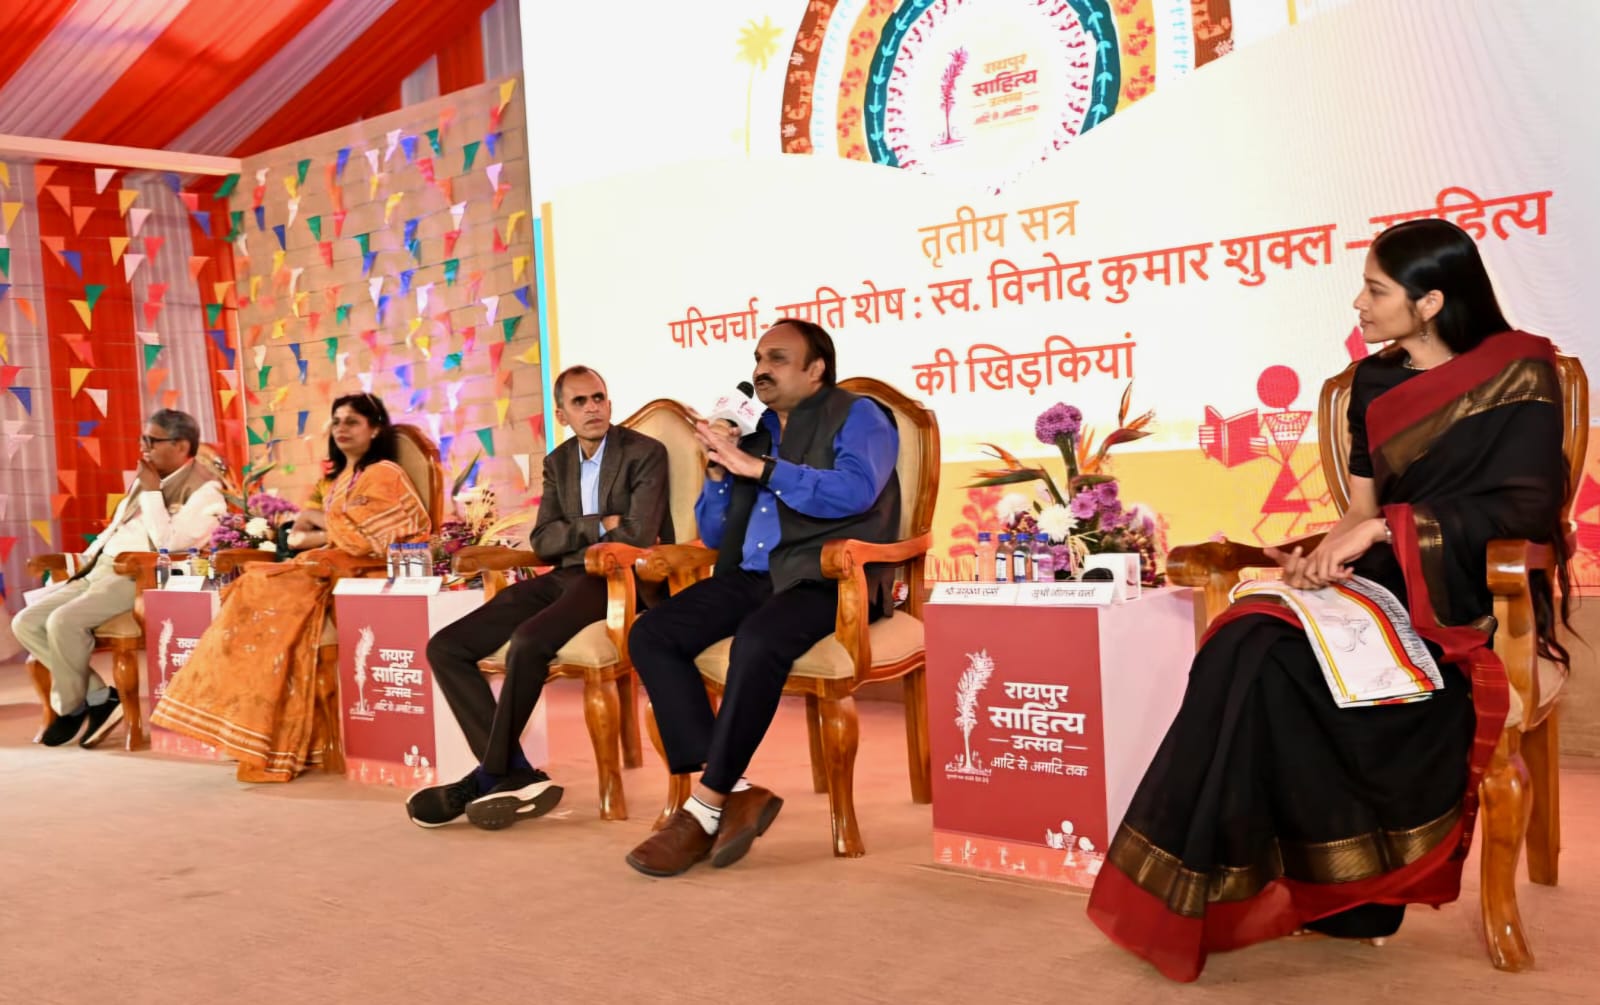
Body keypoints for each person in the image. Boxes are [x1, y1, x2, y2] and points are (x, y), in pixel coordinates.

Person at [1087, 219, 1573, 981]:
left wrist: (1384, 529)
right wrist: (1319, 555)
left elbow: (1525, 509)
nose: (1358, 303)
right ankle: (1248, 887)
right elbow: (1361, 512)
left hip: (1467, 597)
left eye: (1376, 290)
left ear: (1431, 302)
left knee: (1292, 668)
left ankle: (1359, 891)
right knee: (1244, 644)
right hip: (1377, 583)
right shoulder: (1372, 384)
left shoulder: (1520, 372)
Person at [624, 319, 901, 876]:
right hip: (754, 576)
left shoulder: (859, 414)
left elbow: (854, 491)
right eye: (757, 358)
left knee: (757, 641)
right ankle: (739, 791)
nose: (760, 370)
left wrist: (762, 468)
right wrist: (718, 472)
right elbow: (716, 530)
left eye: (777, 358)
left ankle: (705, 807)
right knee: (652, 633)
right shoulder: (756, 431)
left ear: (816, 369)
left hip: (828, 577)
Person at [407, 366, 673, 829]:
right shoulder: (558, 461)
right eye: (580, 402)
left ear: (609, 403)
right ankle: (515, 772)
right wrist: (600, 523)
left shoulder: (645, 453)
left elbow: (636, 534)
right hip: (566, 573)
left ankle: (488, 775)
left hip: (618, 578)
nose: (593, 408)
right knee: (445, 647)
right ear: (562, 414)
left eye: (598, 398)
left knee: (530, 640)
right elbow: (544, 541)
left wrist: (587, 532)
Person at [150, 393, 430, 781]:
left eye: (352, 421)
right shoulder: (341, 480)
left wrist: (314, 522)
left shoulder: (384, 472)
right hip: (326, 566)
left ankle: (264, 741)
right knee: (250, 588)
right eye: (337, 421)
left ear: (375, 428)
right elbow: (335, 532)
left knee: (259, 590)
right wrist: (312, 533)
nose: (342, 429)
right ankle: (250, 733)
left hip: (364, 573)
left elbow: (378, 536)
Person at [15, 409, 224, 748]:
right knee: (25, 623)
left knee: (62, 622)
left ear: (182, 445)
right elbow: (113, 530)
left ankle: (70, 708)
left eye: (152, 440)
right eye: (143, 438)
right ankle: (100, 697)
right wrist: (81, 561)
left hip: (137, 575)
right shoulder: (146, 478)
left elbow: (169, 546)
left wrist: (152, 493)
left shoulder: (206, 492)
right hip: (100, 568)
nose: (144, 447)